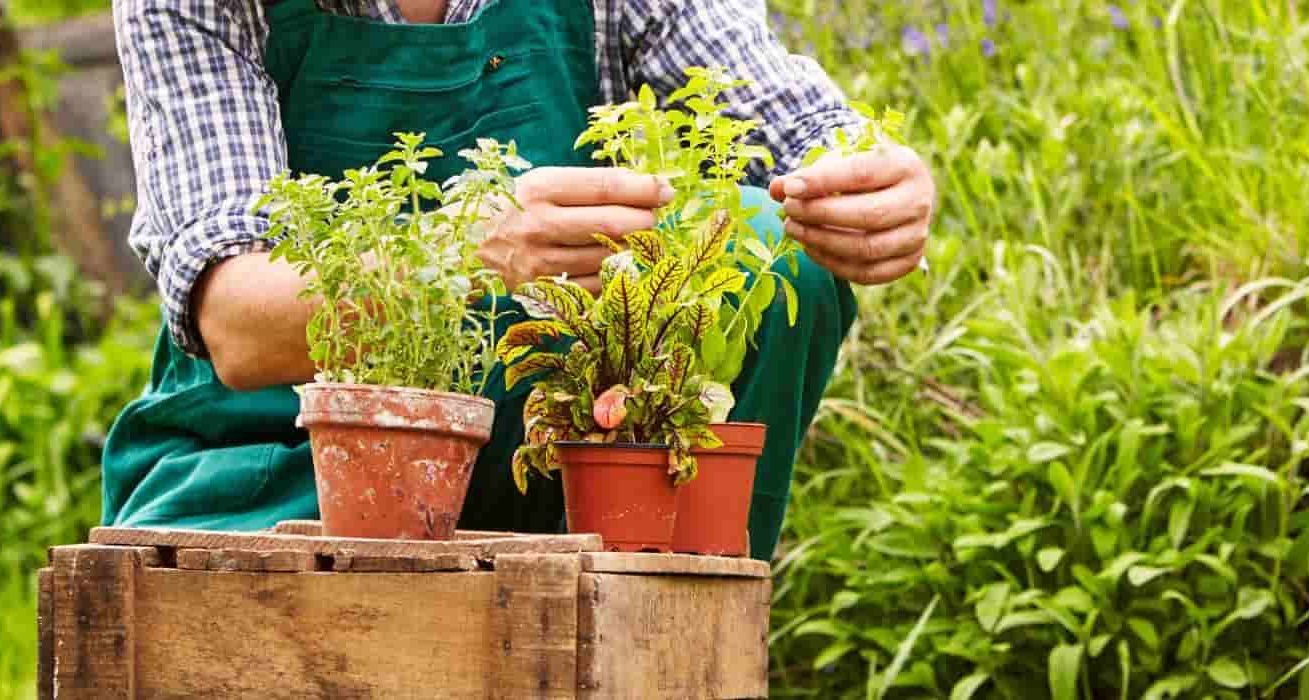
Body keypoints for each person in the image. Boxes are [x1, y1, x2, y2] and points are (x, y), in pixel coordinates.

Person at [101, 0, 936, 561]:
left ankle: (670, 623)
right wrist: (466, 249)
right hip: (271, 458)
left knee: (769, 243)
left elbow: (794, 125)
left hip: (556, 444)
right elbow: (239, 323)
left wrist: (868, 180)